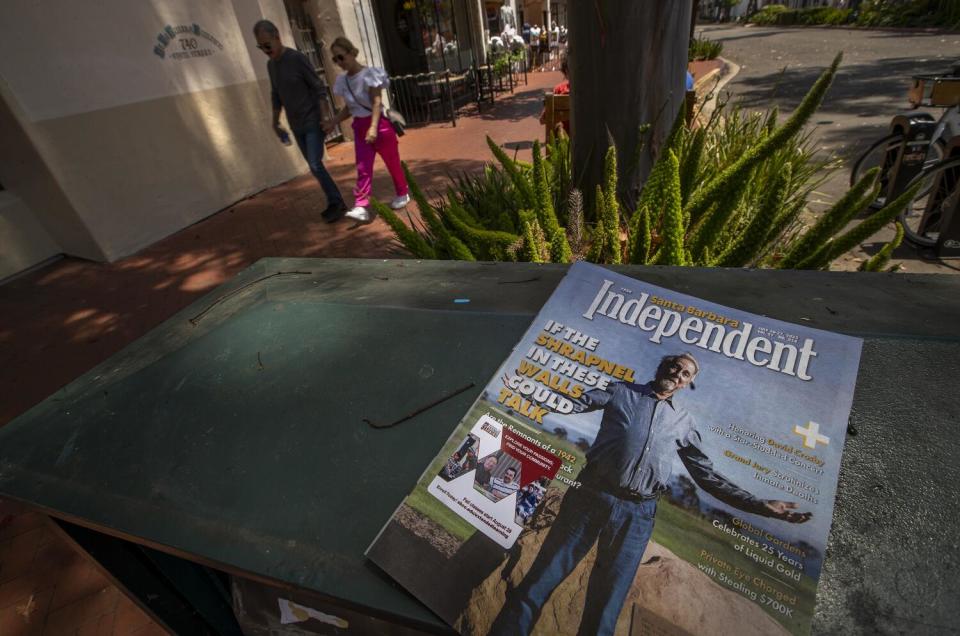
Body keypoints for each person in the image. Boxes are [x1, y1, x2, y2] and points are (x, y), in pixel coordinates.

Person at [489, 353, 812, 636]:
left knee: (605, 609)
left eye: (686, 373)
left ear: (687, 384)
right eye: (674, 365)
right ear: (662, 367)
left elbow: (708, 477)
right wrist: (526, 390)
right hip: (590, 497)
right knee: (539, 582)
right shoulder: (621, 391)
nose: (678, 373)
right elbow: (574, 402)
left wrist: (761, 505)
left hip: (637, 516)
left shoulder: (684, 423)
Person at [253, 20, 346, 222]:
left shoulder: (297, 59)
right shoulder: (271, 66)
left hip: (312, 120)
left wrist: (324, 117)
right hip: (296, 125)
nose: (265, 50)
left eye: (267, 45)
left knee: (314, 164)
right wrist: (275, 122)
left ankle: (337, 202)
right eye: (261, 47)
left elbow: (318, 88)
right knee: (313, 166)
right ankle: (333, 201)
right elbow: (276, 94)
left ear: (277, 36)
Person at [322, 36, 410, 223]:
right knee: (363, 168)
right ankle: (361, 205)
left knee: (392, 163)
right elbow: (349, 108)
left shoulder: (370, 74)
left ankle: (403, 192)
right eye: (335, 59)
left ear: (352, 53)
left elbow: (376, 102)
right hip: (360, 128)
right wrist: (334, 122)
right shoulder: (343, 81)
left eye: (341, 57)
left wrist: (373, 128)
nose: (339, 62)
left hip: (380, 125)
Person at [539, 56, 570, 135]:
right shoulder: (594, 90)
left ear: (566, 72)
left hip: (564, 143)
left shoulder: (559, 90)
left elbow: (542, 120)